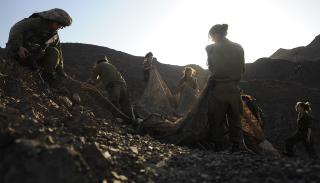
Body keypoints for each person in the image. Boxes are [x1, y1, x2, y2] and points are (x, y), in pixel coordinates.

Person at [206, 24, 245, 152]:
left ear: (216, 34)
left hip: (218, 89)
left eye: (212, 36)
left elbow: (211, 69)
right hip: (234, 88)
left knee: (217, 119)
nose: (211, 38)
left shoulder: (210, 48)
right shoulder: (239, 47)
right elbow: (242, 69)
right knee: (235, 119)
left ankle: (218, 146)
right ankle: (236, 145)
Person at [5, 8, 72, 83]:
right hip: (19, 52)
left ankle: (46, 76)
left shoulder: (54, 35)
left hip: (35, 58)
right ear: (51, 20)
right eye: (58, 24)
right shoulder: (35, 22)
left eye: (61, 26)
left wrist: (61, 71)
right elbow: (16, 29)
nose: (59, 27)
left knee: (54, 51)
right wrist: (18, 47)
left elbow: (59, 51)